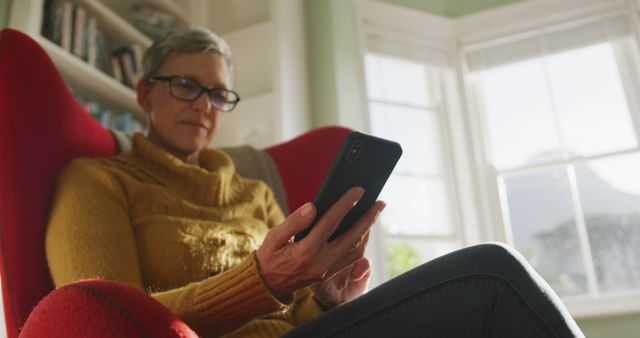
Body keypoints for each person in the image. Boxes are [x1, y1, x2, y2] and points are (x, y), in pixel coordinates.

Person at [45, 27, 585, 338]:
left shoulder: (254, 194)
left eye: (218, 95)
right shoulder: (97, 182)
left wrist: (327, 298)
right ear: (145, 94)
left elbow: (297, 305)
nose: (205, 107)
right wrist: (262, 281)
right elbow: (105, 322)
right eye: (187, 86)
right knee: (490, 276)